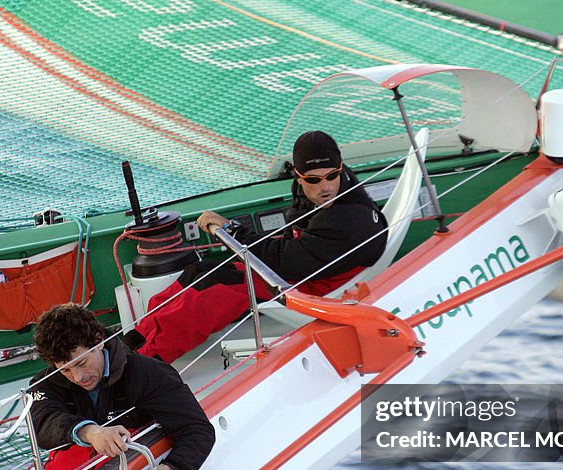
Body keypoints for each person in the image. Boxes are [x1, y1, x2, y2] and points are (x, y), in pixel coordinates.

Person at [132, 130, 389, 362]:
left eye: (331, 176)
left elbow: (280, 261)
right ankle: (136, 339)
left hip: (311, 285)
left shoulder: (349, 220)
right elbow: (291, 248)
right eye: (313, 180)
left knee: (214, 289)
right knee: (197, 274)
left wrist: (233, 230)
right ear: (298, 177)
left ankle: (145, 362)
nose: (325, 186)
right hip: (306, 264)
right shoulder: (335, 190)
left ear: (340, 169)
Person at [28, 303, 215, 470]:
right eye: (65, 370)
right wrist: (90, 432)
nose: (77, 377)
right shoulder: (45, 385)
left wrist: (172, 469)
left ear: (99, 342)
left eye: (81, 363)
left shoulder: (148, 374)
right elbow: (42, 422)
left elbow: (197, 429)